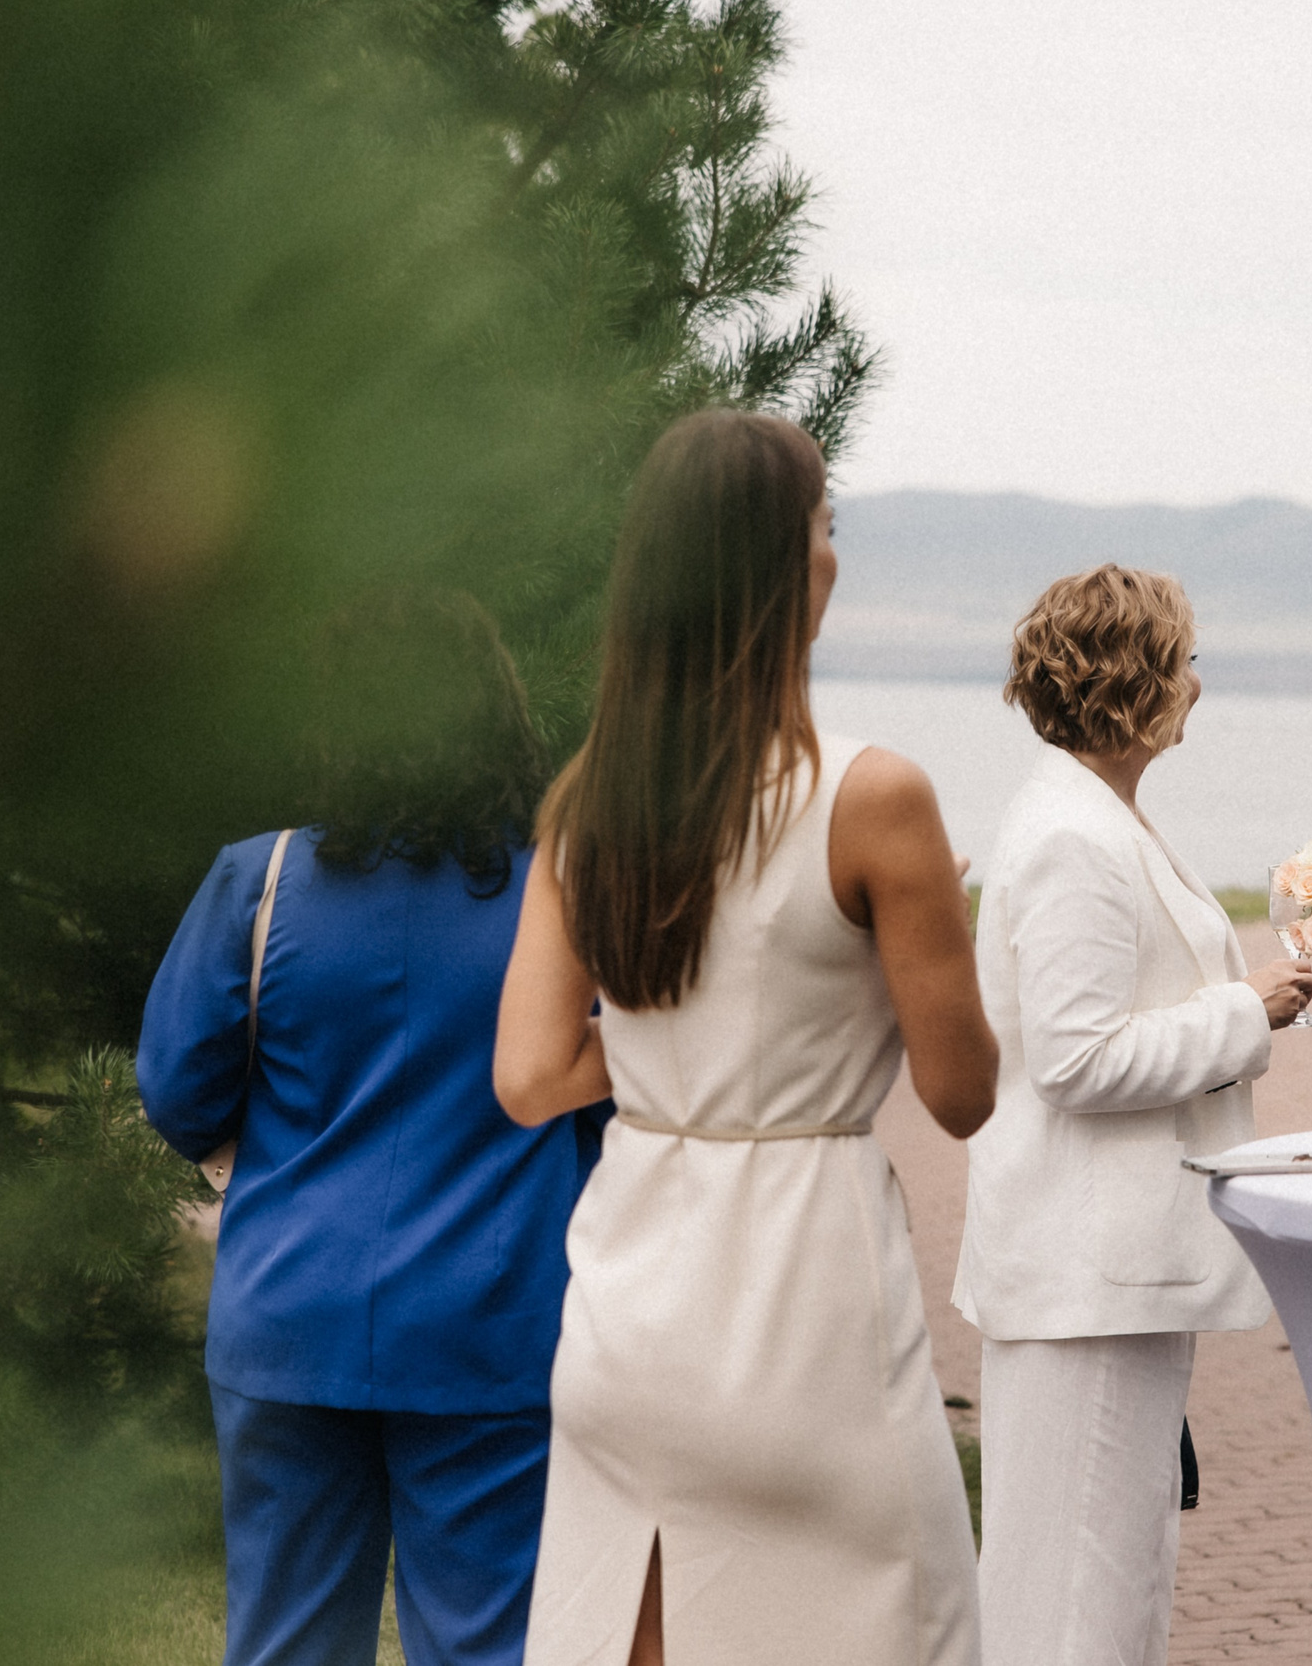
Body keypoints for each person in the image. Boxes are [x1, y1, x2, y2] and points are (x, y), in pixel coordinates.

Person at [495, 409, 997, 1666]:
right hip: (802, 1302)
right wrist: (911, 956)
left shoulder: (589, 798)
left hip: (629, 1299)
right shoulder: (874, 798)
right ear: (787, 564)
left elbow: (529, 1076)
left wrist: (680, 1044)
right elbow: (962, 1091)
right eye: (829, 525)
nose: (838, 553)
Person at [140, 587, 597, 1666]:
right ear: (500, 712)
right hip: (497, 1324)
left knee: (285, 1646)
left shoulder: (259, 881)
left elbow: (176, 1094)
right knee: (489, 1645)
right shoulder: (564, 892)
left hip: (288, 1315)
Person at [950, 566, 1312, 1666]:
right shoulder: (1073, 837)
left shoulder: (1099, 815)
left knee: (1108, 1580)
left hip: (1105, 1271)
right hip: (1084, 1276)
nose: (1198, 685)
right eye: (1186, 661)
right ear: (1138, 678)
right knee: (1077, 1598)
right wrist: (1245, 1010)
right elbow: (1076, 1060)